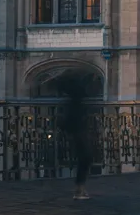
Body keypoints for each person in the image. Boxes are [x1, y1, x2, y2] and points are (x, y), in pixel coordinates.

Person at [56, 71, 93, 200]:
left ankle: (80, 188)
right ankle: (79, 189)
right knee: (85, 157)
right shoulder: (76, 98)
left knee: (85, 158)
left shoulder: (72, 99)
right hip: (78, 129)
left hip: (76, 129)